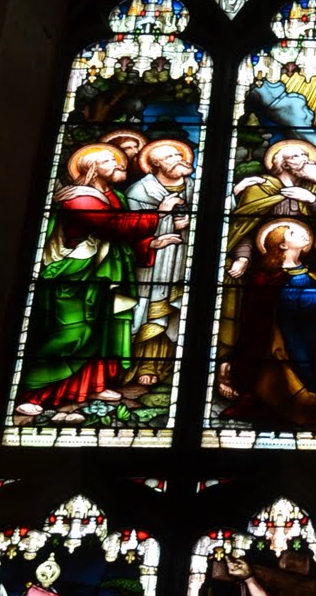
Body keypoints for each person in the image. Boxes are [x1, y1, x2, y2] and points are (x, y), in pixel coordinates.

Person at [15, 143, 184, 420]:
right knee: (72, 334)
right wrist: (161, 213)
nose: (119, 165)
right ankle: (34, 393)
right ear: (93, 169)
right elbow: (114, 226)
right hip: (75, 277)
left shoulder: (113, 195)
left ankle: (92, 385)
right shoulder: (78, 199)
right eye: (110, 161)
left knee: (102, 332)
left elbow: (121, 236)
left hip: (105, 276)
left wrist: (153, 241)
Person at [219, 218, 316, 430]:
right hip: (288, 340)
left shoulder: (310, 273)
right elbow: (295, 305)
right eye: (294, 233)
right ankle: (314, 391)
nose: (303, 234)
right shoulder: (268, 278)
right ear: (282, 245)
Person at [226, 140, 316, 286]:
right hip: (263, 266)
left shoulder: (313, 191)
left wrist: (313, 200)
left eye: (305, 154)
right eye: (296, 156)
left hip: (309, 264)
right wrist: (243, 257)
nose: (305, 159)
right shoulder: (259, 188)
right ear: (284, 164)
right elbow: (243, 227)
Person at [122, 139, 193, 386]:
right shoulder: (139, 192)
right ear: (155, 165)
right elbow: (128, 232)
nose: (178, 159)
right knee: (151, 311)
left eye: (178, 154)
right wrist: (163, 220)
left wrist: (187, 225)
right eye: (170, 157)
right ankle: (145, 364)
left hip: (184, 261)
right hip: (153, 265)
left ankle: (174, 366)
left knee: (179, 310)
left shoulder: (195, 187)